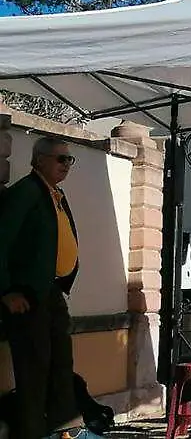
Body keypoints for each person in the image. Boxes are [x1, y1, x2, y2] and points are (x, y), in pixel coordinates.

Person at [0, 137, 86, 439]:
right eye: (60, 159)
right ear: (39, 160)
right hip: (27, 296)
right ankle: (32, 433)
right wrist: (7, 291)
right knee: (34, 371)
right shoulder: (25, 193)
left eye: (69, 160)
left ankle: (64, 429)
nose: (67, 165)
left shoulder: (55, 194)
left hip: (51, 291)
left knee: (61, 364)